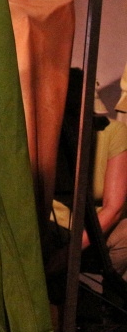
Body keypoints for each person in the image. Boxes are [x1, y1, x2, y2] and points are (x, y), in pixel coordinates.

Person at [50, 67, 127, 281]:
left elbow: (114, 208)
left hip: (96, 228)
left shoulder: (113, 133)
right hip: (54, 224)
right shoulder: (48, 136)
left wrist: (68, 254)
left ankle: (108, 295)